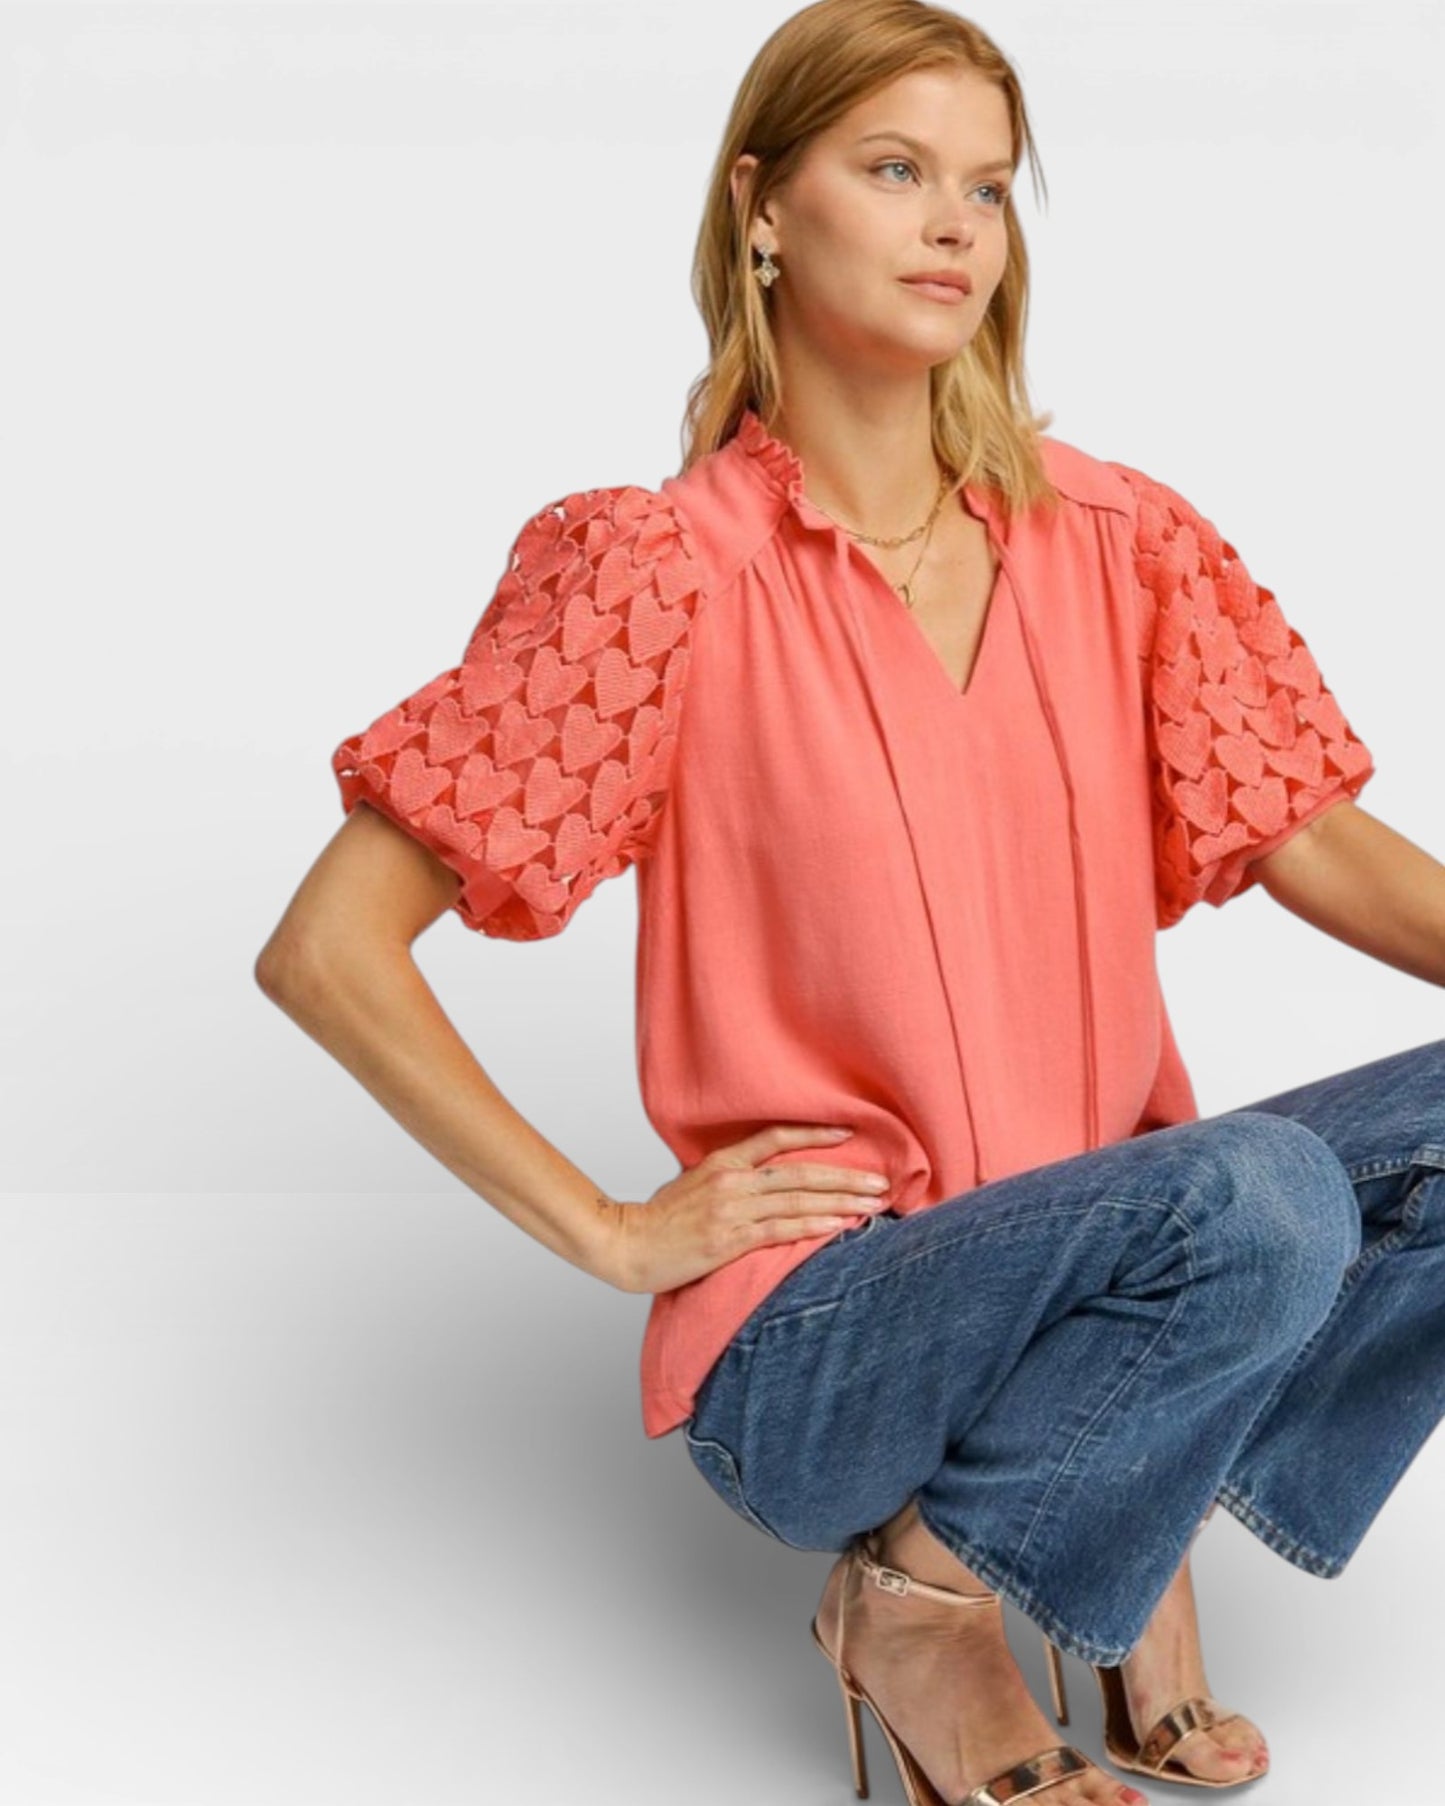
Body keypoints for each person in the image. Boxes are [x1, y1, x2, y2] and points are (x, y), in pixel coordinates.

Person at [255, 3, 1445, 1802]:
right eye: (894, 172)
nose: (955, 224)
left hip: (1118, 1247)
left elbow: (1312, 835)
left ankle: (1111, 1513)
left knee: (1301, 1177)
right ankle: (917, 1606)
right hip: (831, 1332)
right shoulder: (656, 575)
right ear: (759, 206)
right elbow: (326, 948)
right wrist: (606, 1228)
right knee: (1259, 1195)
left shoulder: (1117, 543)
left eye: (983, 185)